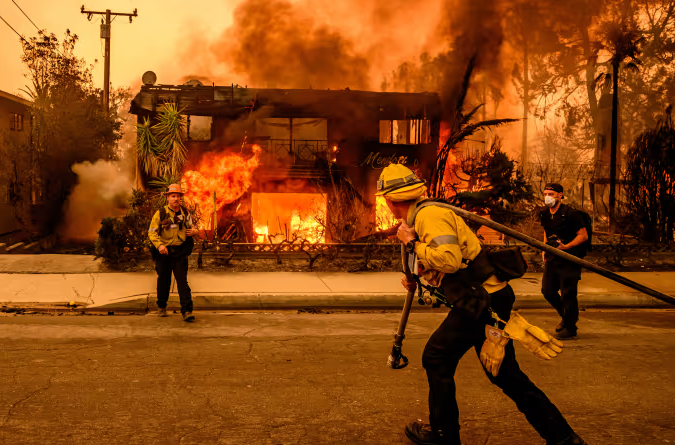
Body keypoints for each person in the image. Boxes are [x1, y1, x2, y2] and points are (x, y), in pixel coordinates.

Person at [377, 164, 586, 445]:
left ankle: (444, 435)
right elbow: (445, 259)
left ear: (390, 201)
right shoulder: (423, 215)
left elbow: (449, 260)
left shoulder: (429, 217)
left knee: (436, 357)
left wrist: (413, 243)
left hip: (482, 300)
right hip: (486, 297)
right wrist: (417, 274)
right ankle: (563, 438)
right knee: (505, 376)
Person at [539, 183, 589, 340]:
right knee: (547, 291)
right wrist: (543, 249)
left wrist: (566, 247)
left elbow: (583, 235)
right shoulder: (545, 213)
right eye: (546, 193)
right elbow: (546, 233)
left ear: (560, 195)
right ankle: (568, 319)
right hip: (552, 258)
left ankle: (569, 327)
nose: (548, 197)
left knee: (568, 293)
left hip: (570, 259)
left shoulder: (571, 214)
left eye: (551, 194)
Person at [148, 184, 199, 321]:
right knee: (164, 280)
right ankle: (162, 307)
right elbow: (152, 233)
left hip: (180, 251)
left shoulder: (185, 213)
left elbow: (192, 227)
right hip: (164, 252)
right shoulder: (160, 213)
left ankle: (187, 311)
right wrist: (159, 246)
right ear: (168, 198)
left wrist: (195, 231)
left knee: (182, 281)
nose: (176, 199)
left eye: (178, 196)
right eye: (173, 196)